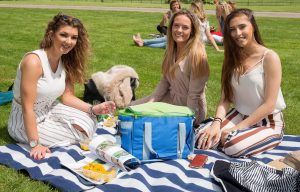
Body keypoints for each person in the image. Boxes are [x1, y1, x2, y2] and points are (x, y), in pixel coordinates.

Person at [7, 13, 116, 160]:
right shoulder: (34, 61)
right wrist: (35, 144)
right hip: (23, 121)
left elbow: (67, 97)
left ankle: (58, 126)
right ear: (51, 35)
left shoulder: (65, 61)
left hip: (50, 109)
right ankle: (51, 131)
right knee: (81, 133)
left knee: (89, 121)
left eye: (74, 37)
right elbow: (27, 107)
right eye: (63, 35)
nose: (69, 41)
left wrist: (93, 109)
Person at [196, 9, 286, 158]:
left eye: (242, 27)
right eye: (232, 30)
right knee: (201, 136)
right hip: (239, 114)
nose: (237, 33)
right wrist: (216, 123)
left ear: (253, 27)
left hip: (268, 121)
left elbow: (269, 104)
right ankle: (227, 138)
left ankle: (242, 139)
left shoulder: (269, 57)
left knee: (232, 145)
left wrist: (236, 129)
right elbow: (225, 98)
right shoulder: (231, 58)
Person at [131, 9, 209, 126]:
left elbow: (194, 96)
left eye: (185, 27)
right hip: (171, 98)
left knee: (142, 120)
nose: (179, 30)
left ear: (192, 31)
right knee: (131, 108)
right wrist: (152, 100)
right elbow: (166, 80)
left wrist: (188, 122)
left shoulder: (197, 56)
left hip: (189, 109)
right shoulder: (171, 50)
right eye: (176, 25)